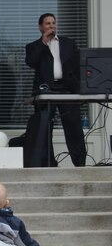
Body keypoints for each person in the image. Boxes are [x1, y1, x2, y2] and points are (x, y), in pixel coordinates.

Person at [24, 13, 86, 167]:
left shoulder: (68, 43)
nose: (51, 26)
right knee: (44, 128)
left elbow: (77, 65)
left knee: (73, 127)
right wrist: (44, 43)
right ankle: (47, 163)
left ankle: (80, 164)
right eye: (47, 24)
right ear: (40, 27)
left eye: (53, 23)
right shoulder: (33, 46)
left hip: (66, 89)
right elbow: (31, 62)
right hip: (46, 90)